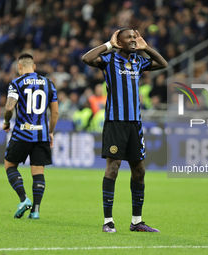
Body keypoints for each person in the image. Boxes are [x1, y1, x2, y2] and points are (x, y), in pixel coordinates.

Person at [82, 28, 167, 233]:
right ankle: (108, 221)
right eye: (128, 37)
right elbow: (87, 58)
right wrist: (109, 45)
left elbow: (163, 64)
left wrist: (147, 47)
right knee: (113, 168)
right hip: (115, 122)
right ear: (119, 41)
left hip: (135, 124)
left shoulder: (138, 61)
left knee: (139, 171)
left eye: (134, 37)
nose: (133, 40)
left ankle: (136, 221)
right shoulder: (110, 60)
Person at [2, 53, 59, 219]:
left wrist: (6, 122)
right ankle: (36, 210)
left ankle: (23, 199)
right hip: (41, 135)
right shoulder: (49, 83)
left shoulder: (16, 83)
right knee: (38, 171)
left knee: (9, 165)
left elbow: (9, 107)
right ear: (34, 67)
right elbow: (54, 112)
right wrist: (50, 132)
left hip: (22, 133)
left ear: (19, 67)